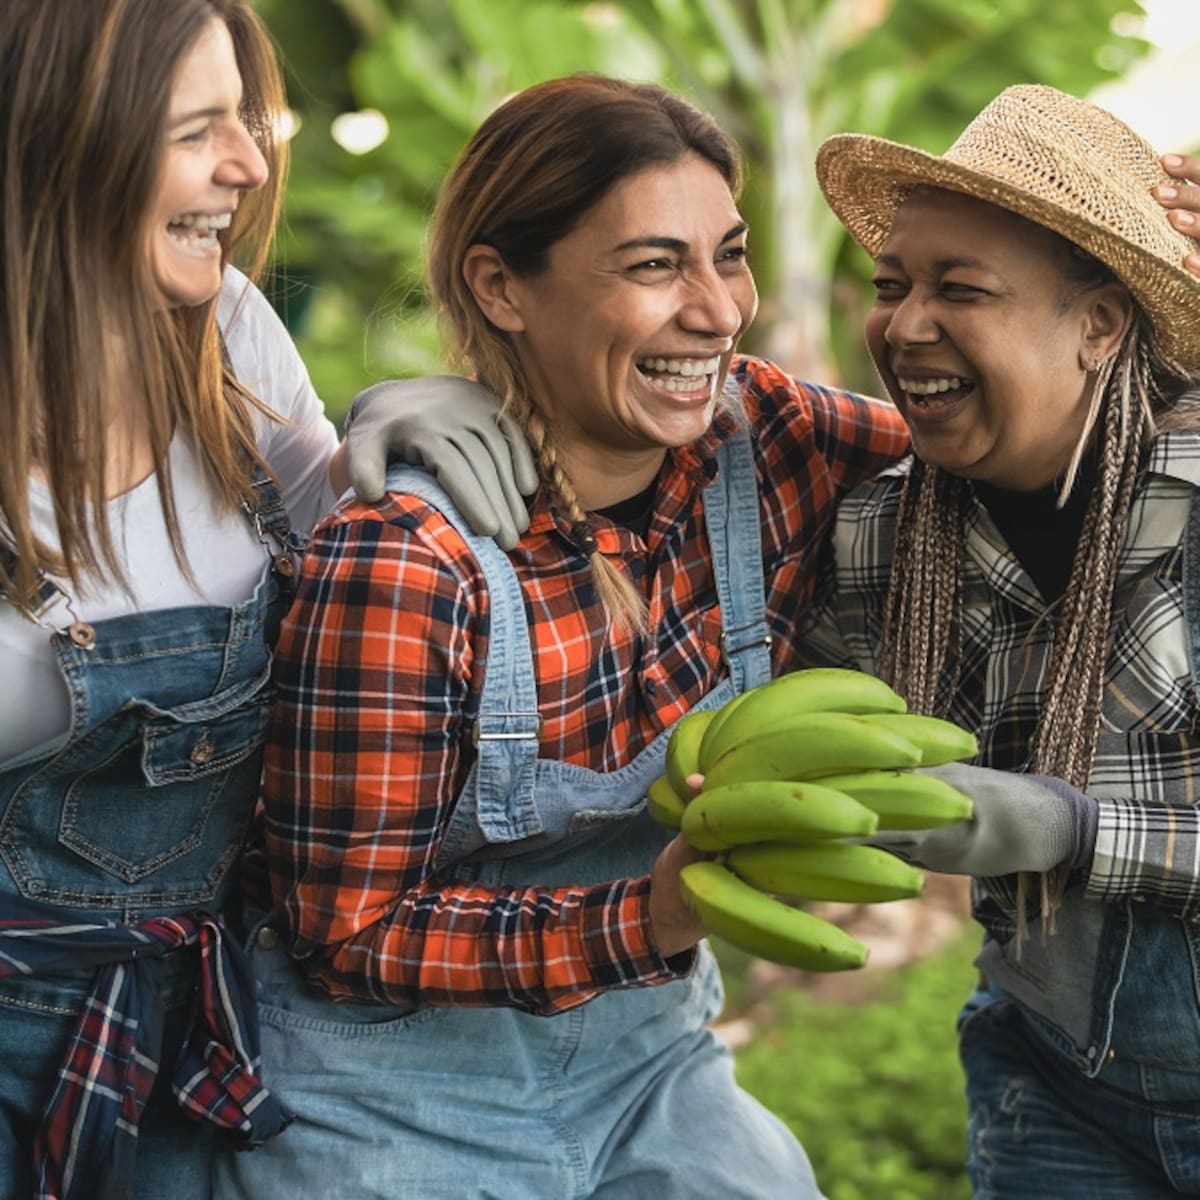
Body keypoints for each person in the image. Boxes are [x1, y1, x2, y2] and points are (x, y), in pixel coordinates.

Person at [217, 73, 911, 1200]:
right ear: (501, 285)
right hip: (390, 1092)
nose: (717, 309)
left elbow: (1005, 452)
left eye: (727, 254)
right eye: (652, 265)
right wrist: (659, 913)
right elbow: (341, 934)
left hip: (654, 1063)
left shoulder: (767, 438)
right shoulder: (405, 563)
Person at [0, 3, 522, 1197]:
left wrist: (390, 456)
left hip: (186, 1042)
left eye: (247, 118)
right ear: (55, 144)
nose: (249, 163)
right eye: (199, 130)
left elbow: (361, 593)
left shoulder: (226, 332)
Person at [801, 86, 1200, 1197]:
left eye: (960, 289)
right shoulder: (889, 530)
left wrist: (1070, 830)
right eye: (893, 285)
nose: (906, 322)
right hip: (1052, 1076)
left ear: (1099, 325)